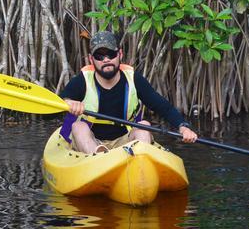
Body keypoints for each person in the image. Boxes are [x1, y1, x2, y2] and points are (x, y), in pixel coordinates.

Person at [60, 30, 198, 154]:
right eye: (99, 56)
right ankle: (98, 157)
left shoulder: (133, 79)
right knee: (78, 126)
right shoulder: (81, 81)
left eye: (111, 54)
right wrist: (67, 103)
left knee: (144, 126)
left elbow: (162, 106)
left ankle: (138, 164)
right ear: (91, 59)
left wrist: (183, 127)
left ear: (120, 54)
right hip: (91, 142)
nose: (106, 60)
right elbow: (52, 111)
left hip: (125, 141)